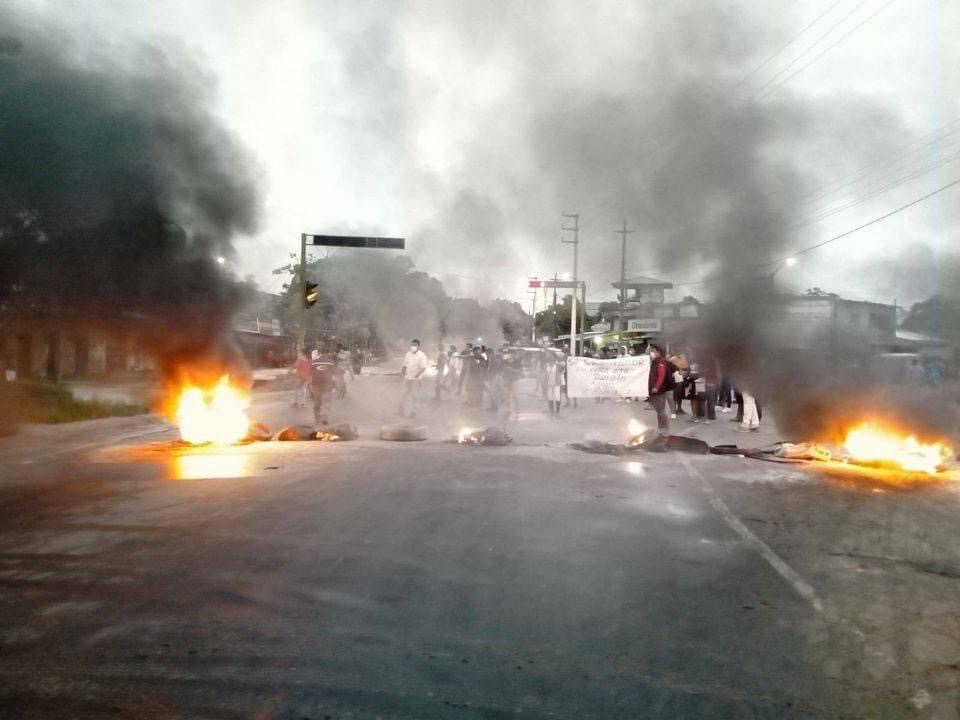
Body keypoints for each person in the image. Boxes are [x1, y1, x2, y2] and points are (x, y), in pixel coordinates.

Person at [646, 344, 671, 447]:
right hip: (656, 391)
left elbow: (661, 376)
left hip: (659, 391)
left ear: (658, 352)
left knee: (661, 412)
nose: (652, 353)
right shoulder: (655, 361)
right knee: (659, 411)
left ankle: (664, 432)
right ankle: (662, 431)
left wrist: (656, 387)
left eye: (653, 351)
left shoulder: (660, 362)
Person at [398, 339, 429, 418]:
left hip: (416, 379)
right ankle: (401, 411)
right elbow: (404, 365)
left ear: (418, 346)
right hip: (407, 378)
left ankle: (413, 412)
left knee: (414, 396)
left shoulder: (422, 355)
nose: (413, 346)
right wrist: (402, 375)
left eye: (415, 345)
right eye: (412, 345)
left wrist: (417, 375)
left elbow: (423, 367)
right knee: (403, 394)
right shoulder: (408, 354)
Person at [310, 349, 336, 424]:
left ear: (319, 353)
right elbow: (334, 374)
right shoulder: (331, 362)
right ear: (328, 353)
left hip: (316, 384)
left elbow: (310, 374)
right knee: (327, 401)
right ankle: (325, 418)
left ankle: (317, 417)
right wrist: (334, 384)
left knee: (317, 401)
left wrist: (311, 384)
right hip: (327, 385)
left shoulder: (314, 362)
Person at [501, 350, 523, 418]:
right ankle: (508, 410)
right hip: (507, 380)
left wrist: (512, 370)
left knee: (514, 395)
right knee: (507, 396)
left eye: (512, 355)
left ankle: (517, 410)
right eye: (509, 355)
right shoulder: (505, 362)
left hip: (515, 380)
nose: (510, 356)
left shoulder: (517, 362)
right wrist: (504, 380)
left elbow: (520, 372)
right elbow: (503, 371)